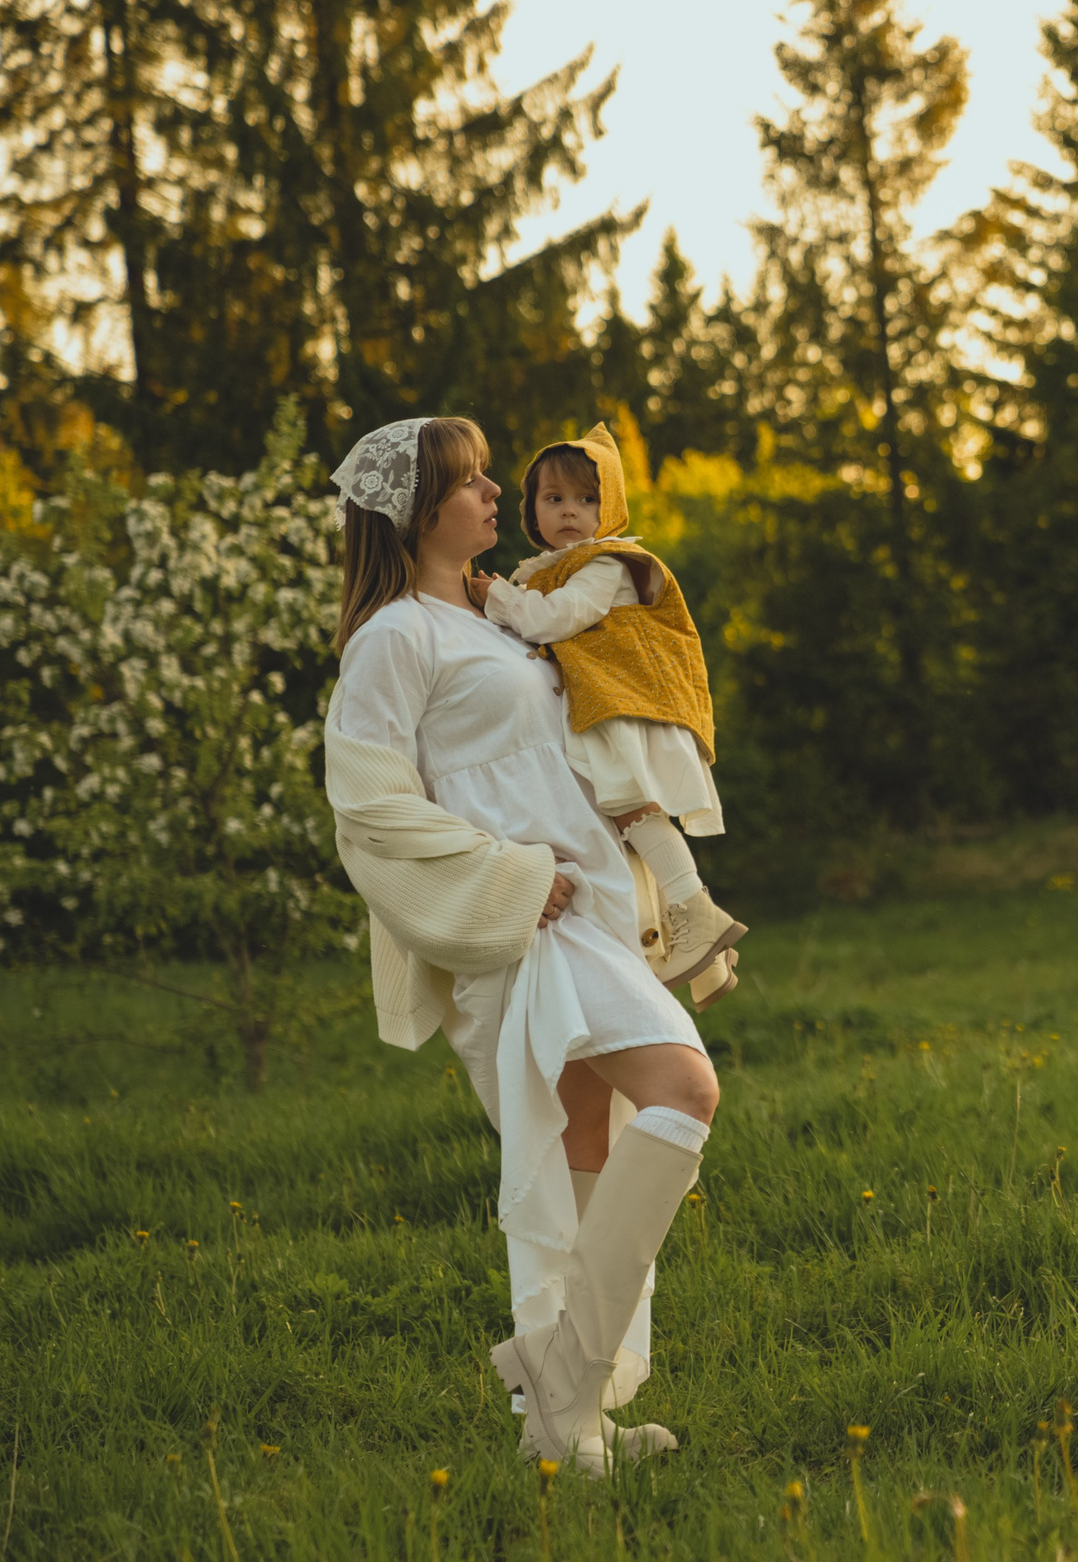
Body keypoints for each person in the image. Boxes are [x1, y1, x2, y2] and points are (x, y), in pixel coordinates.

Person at [323, 415, 726, 1473]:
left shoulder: (507, 619)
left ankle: (567, 1417)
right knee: (683, 1091)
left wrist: (668, 893)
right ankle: (558, 1379)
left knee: (581, 1146)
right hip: (521, 921)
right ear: (419, 512)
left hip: (590, 907)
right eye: (472, 481)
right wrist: (507, 874)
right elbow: (366, 803)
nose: (496, 494)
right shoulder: (395, 636)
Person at [478, 425, 745, 995]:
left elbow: (554, 619)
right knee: (628, 827)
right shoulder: (553, 567)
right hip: (606, 707)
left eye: (587, 499)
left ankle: (696, 911)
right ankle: (705, 954)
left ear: (613, 508)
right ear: (532, 509)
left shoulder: (608, 564)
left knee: (633, 814)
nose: (569, 512)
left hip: (624, 709)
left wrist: (495, 598)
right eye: (554, 498)